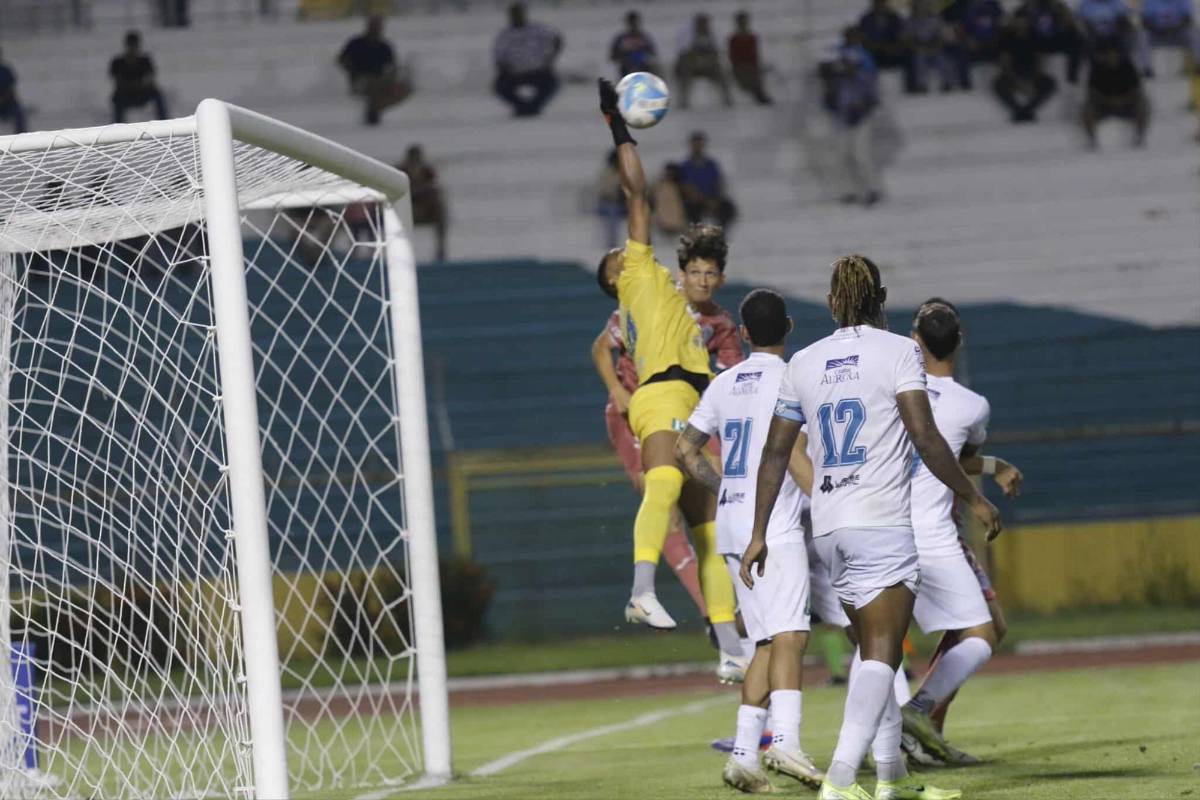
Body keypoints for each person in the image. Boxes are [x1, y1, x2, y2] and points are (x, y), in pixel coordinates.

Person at [741, 254, 1000, 800]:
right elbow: (926, 438)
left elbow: (774, 453)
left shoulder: (805, 362)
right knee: (883, 655)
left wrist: (759, 532)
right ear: (879, 299)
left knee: (870, 653)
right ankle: (839, 779)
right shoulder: (900, 352)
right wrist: (972, 494)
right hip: (882, 521)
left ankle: (892, 780)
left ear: (832, 303)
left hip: (829, 528)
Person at [594, 78, 743, 682]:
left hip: (695, 405)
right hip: (658, 395)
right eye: (617, 256)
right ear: (615, 276)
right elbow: (637, 192)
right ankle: (640, 588)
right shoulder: (638, 278)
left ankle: (731, 646)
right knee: (661, 482)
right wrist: (617, 125)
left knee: (709, 528)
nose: (624, 251)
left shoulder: (682, 294)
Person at [676, 289, 823, 793]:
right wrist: (827, 507)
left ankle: (744, 755)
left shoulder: (723, 383)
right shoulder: (792, 378)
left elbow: (685, 449)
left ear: (742, 334)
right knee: (791, 636)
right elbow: (797, 454)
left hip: (732, 523)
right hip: (773, 525)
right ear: (787, 327)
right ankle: (786, 740)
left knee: (764, 640)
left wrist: (725, 488)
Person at [591, 235, 745, 650]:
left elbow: (733, 379)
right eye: (695, 271)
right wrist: (616, 390)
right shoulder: (654, 298)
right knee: (662, 492)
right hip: (642, 406)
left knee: (710, 508)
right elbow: (601, 347)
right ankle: (665, 597)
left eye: (710, 273)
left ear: (720, 278)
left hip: (687, 407)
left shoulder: (721, 324)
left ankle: (725, 630)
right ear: (682, 275)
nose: (703, 279)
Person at [897, 299, 1025, 767]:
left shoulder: (893, 391)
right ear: (960, 341)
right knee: (984, 631)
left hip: (884, 528)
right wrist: (987, 476)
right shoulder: (971, 405)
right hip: (934, 533)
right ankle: (916, 719)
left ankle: (923, 733)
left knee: (964, 631)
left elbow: (940, 452)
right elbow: (951, 451)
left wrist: (995, 467)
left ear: (914, 340)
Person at [821, 47, 882, 206]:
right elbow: (828, 102)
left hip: (861, 121)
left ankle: (872, 190)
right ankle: (848, 192)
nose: (848, 66)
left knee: (862, 156)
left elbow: (873, 101)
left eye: (851, 63)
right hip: (842, 122)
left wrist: (860, 111)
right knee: (841, 157)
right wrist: (838, 113)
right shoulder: (835, 82)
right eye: (845, 63)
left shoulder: (865, 79)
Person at [338, 15, 412, 126]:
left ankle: (376, 107)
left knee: (402, 88)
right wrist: (351, 71)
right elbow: (341, 60)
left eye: (378, 26)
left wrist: (392, 77)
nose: (376, 29)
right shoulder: (356, 44)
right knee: (375, 87)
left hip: (381, 80)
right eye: (374, 26)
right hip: (360, 80)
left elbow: (392, 66)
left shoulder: (384, 46)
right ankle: (374, 110)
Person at [493, 2, 563, 118]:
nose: (517, 16)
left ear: (524, 14)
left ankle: (533, 107)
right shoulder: (504, 34)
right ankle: (522, 107)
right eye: (514, 14)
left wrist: (550, 58)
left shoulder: (537, 29)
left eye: (519, 13)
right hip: (515, 74)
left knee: (552, 83)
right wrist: (504, 68)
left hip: (538, 71)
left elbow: (557, 39)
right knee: (500, 86)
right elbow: (498, 56)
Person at [1082, 37, 1149, 147]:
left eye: (1113, 53)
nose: (1110, 56)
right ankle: (1091, 140)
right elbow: (1092, 91)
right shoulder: (1096, 68)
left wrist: (1123, 100)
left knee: (1142, 105)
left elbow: (1136, 89)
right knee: (1087, 109)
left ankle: (1139, 137)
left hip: (1126, 104)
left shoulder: (1128, 66)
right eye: (1106, 54)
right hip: (1104, 105)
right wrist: (1107, 100)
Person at [992, 14, 1058, 122]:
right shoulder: (1008, 37)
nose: (1021, 24)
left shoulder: (1035, 36)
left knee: (1050, 84)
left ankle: (1027, 110)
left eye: (1024, 21)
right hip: (1013, 74)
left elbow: (1039, 59)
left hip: (1033, 73)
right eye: (1019, 21)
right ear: (1014, 22)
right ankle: (1018, 110)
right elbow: (1005, 61)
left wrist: (1032, 80)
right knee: (998, 84)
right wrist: (1016, 81)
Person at [397, 145, 447, 261]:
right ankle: (401, 251)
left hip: (425, 210)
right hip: (406, 209)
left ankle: (440, 249)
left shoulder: (427, 171)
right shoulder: (400, 172)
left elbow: (432, 188)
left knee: (439, 208)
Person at [677, 131, 737, 228]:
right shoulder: (685, 166)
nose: (698, 147)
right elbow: (686, 187)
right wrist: (704, 200)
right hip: (696, 200)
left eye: (700, 145)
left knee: (728, 207)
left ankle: (720, 232)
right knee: (691, 209)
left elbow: (718, 182)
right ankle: (696, 233)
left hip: (712, 198)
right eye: (695, 145)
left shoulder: (711, 164)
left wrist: (715, 199)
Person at [942, 0, 1006, 89]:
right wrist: (968, 39)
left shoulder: (993, 5)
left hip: (993, 43)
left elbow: (1002, 22)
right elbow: (962, 27)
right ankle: (965, 84)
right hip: (973, 42)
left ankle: (1005, 82)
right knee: (960, 53)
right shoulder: (966, 6)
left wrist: (996, 38)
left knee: (1006, 51)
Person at [1015, 0, 1084, 82]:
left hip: (1056, 40)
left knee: (1077, 39)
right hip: (1035, 41)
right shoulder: (1026, 8)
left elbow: (1070, 23)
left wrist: (1064, 16)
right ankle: (1024, 74)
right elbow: (1018, 22)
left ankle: (1072, 76)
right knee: (1020, 40)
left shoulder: (1058, 7)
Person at [109, 31, 168, 123]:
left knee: (157, 94)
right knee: (117, 99)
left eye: (134, 45)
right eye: (130, 45)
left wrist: (141, 85)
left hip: (142, 93)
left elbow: (150, 78)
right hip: (125, 94)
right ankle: (118, 127)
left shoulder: (144, 60)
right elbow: (117, 81)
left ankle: (164, 123)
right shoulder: (118, 62)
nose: (133, 49)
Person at [675, 14, 733, 109]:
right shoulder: (688, 35)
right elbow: (683, 53)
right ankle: (683, 101)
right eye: (700, 23)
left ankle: (727, 99)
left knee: (721, 71)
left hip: (709, 66)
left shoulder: (713, 35)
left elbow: (717, 53)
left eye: (704, 23)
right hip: (692, 66)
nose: (703, 26)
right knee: (685, 71)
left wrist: (707, 60)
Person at [858, 0, 917, 92]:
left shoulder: (893, 17)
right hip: (875, 52)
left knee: (909, 55)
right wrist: (879, 46)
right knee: (866, 60)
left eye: (882, 3)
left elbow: (901, 34)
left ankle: (912, 85)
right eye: (878, 3)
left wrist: (895, 46)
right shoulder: (866, 19)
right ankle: (871, 91)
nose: (880, 6)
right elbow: (863, 38)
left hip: (892, 50)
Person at [905, 0, 956, 93]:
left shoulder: (936, 19)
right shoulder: (911, 20)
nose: (923, 7)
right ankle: (921, 85)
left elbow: (942, 37)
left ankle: (947, 83)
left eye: (926, 5)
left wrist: (936, 46)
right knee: (919, 61)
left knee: (943, 61)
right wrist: (918, 47)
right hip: (919, 49)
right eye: (920, 5)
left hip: (935, 49)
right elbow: (909, 38)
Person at [728, 11, 773, 105]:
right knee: (749, 76)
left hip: (751, 67)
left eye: (744, 22)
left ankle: (759, 94)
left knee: (754, 74)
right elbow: (733, 57)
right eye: (741, 22)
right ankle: (758, 95)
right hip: (740, 68)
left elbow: (755, 56)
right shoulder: (734, 39)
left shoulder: (752, 37)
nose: (743, 24)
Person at [610, 11, 659, 77]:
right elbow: (613, 56)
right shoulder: (621, 38)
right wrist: (624, 54)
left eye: (635, 22)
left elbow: (653, 53)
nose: (633, 25)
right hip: (626, 72)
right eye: (631, 22)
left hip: (643, 70)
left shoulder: (644, 37)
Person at [651, 163, 688, 237]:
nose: (669, 176)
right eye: (668, 173)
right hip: (662, 220)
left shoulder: (681, 188)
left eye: (672, 174)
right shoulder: (658, 186)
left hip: (677, 221)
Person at [0, 48, 28, 134]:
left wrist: (3, 99)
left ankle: (21, 137)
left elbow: (11, 89)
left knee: (18, 114)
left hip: (8, 103)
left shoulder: (5, 70)